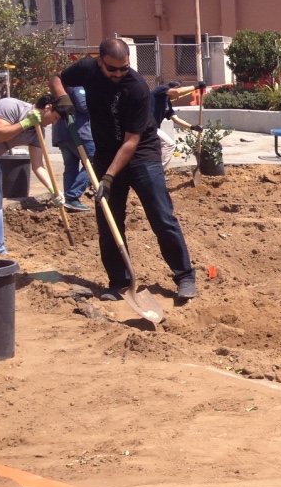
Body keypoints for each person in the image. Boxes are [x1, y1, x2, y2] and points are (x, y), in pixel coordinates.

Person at [49, 37, 197, 301]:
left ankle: (184, 276)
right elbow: (57, 77)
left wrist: (108, 176)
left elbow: (131, 141)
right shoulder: (86, 69)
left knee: (162, 217)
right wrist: (61, 98)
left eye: (123, 68)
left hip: (141, 155)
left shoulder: (136, 87)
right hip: (106, 153)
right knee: (108, 220)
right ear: (100, 62)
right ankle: (119, 281)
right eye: (112, 69)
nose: (118, 73)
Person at [0, 96, 63, 255]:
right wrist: (24, 124)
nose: (54, 123)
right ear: (48, 107)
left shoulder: (38, 133)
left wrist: (53, 189)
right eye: (55, 118)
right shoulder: (11, 106)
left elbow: (38, 165)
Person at [51, 85, 95, 213]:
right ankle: (72, 196)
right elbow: (83, 105)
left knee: (70, 167)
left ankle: (70, 202)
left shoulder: (59, 88)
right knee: (93, 163)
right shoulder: (77, 86)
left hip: (62, 134)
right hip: (78, 132)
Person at [151, 81, 205, 168]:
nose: (178, 97)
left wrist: (193, 127)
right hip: (147, 126)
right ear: (175, 88)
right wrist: (197, 86)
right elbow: (178, 92)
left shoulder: (167, 103)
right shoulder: (160, 90)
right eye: (178, 95)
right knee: (169, 144)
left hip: (153, 129)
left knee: (155, 150)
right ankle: (159, 172)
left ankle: (155, 172)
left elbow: (176, 119)